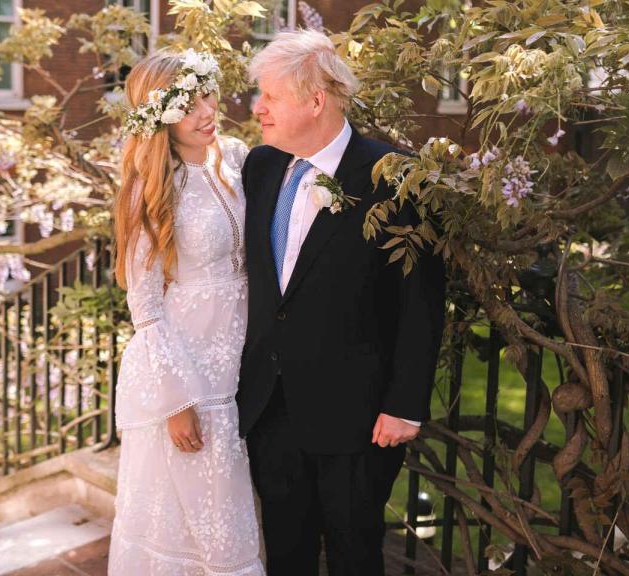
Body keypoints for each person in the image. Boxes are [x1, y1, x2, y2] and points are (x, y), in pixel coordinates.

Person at [237, 30, 446, 576]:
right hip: (270, 405)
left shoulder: (396, 176)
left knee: (355, 551)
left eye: (270, 97)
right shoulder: (260, 168)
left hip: (358, 416)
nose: (258, 109)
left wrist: (405, 405)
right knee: (285, 550)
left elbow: (421, 300)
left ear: (315, 101)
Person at [108, 49, 264, 576]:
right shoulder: (151, 188)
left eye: (207, 93)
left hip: (247, 354)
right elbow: (146, 306)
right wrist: (176, 400)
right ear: (159, 116)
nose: (206, 110)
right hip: (189, 371)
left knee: (238, 505)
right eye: (187, 103)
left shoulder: (238, 157)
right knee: (200, 516)